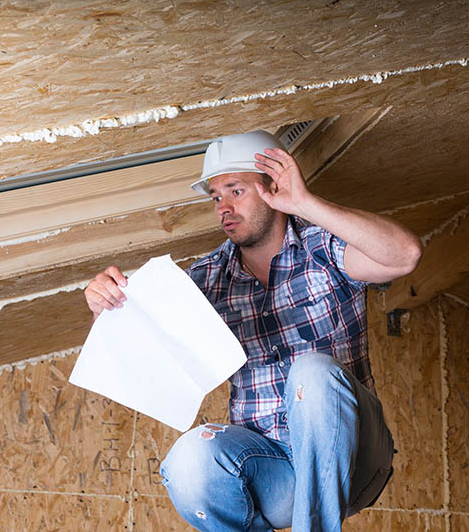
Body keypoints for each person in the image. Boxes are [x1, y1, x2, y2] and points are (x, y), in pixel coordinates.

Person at [82, 130, 423, 531]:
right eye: (215, 197)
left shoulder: (324, 248)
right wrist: (105, 307)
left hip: (353, 458)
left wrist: (306, 204)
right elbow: (135, 355)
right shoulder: (205, 279)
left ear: (273, 188)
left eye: (235, 191)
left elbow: (406, 255)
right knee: (189, 459)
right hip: (276, 472)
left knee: (312, 372)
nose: (223, 207)